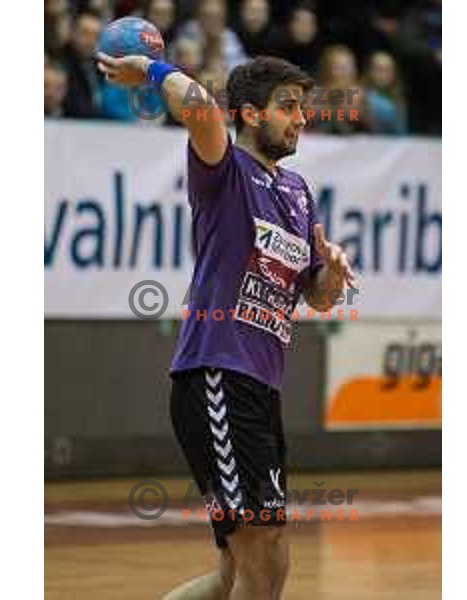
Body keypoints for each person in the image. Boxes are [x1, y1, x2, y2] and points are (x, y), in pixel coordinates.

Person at [96, 51, 356, 599]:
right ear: (250, 113)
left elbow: (316, 295)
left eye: (303, 108)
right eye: (287, 106)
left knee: (244, 569)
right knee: (264, 554)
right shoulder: (224, 170)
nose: (302, 118)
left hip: (260, 389)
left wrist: (331, 276)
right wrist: (149, 68)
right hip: (217, 375)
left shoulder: (298, 192)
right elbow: (201, 114)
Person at [61, 10, 104, 118]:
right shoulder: (61, 63)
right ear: (72, 32)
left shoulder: (100, 65)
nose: (90, 40)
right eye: (85, 33)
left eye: (96, 36)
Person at [363, 51, 407, 134]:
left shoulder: (398, 96)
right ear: (370, 71)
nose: (384, 75)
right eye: (379, 70)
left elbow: (401, 130)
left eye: (388, 70)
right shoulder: (362, 95)